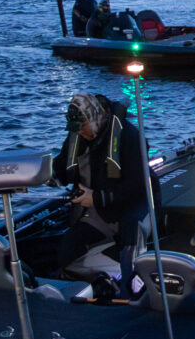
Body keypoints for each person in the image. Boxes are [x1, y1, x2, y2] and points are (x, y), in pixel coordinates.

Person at [49, 93, 151, 298]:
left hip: (132, 210)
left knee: (130, 241)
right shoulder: (77, 136)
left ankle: (130, 287)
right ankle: (91, 280)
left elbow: (138, 185)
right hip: (97, 213)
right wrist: (47, 175)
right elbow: (60, 167)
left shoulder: (129, 136)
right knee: (66, 250)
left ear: (97, 117)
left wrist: (97, 198)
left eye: (83, 129)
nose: (81, 134)